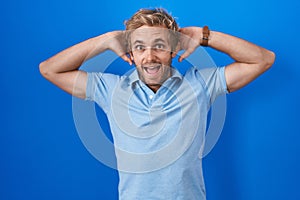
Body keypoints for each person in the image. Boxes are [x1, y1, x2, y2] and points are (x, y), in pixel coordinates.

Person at [39, 8, 275, 200]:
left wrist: (203, 36)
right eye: (140, 47)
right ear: (131, 52)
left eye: (159, 46)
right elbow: (49, 69)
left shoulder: (201, 85)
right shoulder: (110, 89)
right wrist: (104, 41)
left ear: (174, 50)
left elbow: (263, 60)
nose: (149, 56)